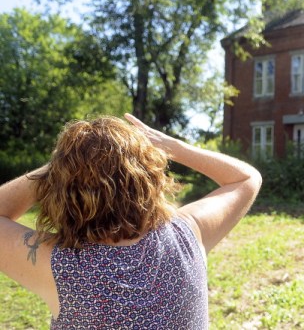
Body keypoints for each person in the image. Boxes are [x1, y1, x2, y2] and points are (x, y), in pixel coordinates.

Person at [0, 114, 262, 329]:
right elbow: (245, 179)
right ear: (150, 175)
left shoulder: (59, 264)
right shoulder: (187, 235)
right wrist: (176, 148)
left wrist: (63, 166)